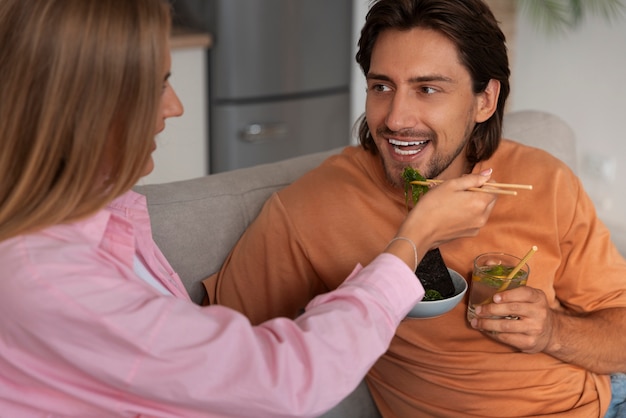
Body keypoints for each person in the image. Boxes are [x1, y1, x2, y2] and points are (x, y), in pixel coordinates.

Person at [0, 0, 500, 416]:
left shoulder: (101, 212)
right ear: (83, 106)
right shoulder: (48, 278)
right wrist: (412, 241)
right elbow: (284, 376)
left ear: (485, 100)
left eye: (428, 89)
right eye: (155, 85)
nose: (175, 106)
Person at [206, 0, 626, 416]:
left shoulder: (545, 180)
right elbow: (214, 355)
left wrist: (552, 331)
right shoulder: (314, 205)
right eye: (382, 87)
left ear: (484, 100)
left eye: (427, 89)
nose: (396, 118)